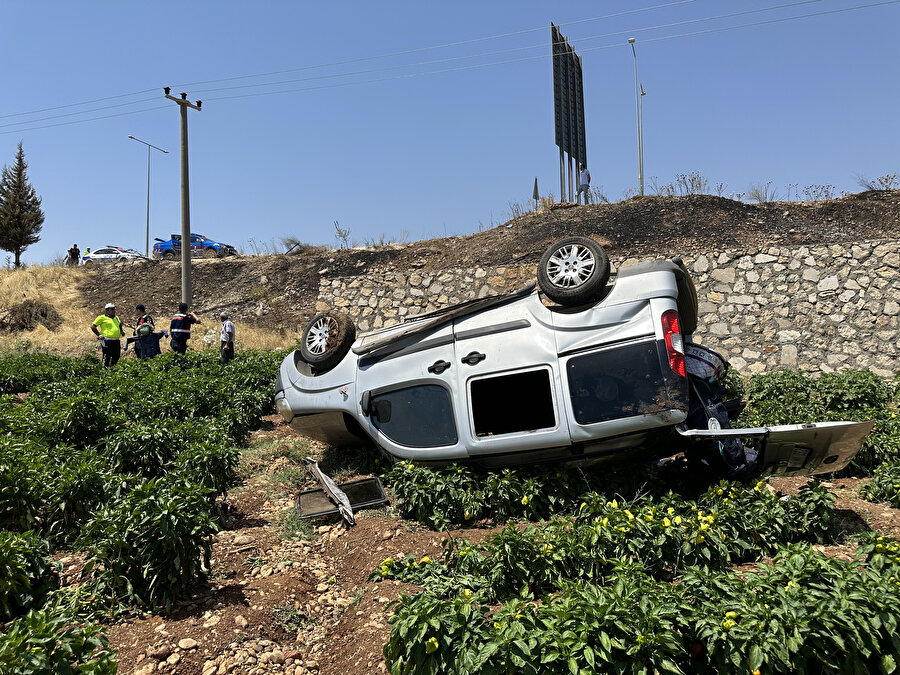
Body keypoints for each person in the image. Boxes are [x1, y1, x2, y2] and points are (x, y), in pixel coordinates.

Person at [91, 302, 124, 368]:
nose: (114, 310)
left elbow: (119, 324)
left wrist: (121, 331)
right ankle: (104, 370)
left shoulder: (116, 317)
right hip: (107, 340)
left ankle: (112, 368)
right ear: (107, 310)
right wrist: (99, 335)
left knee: (117, 355)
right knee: (107, 356)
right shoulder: (101, 317)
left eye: (114, 309)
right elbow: (93, 326)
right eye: (112, 309)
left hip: (116, 340)